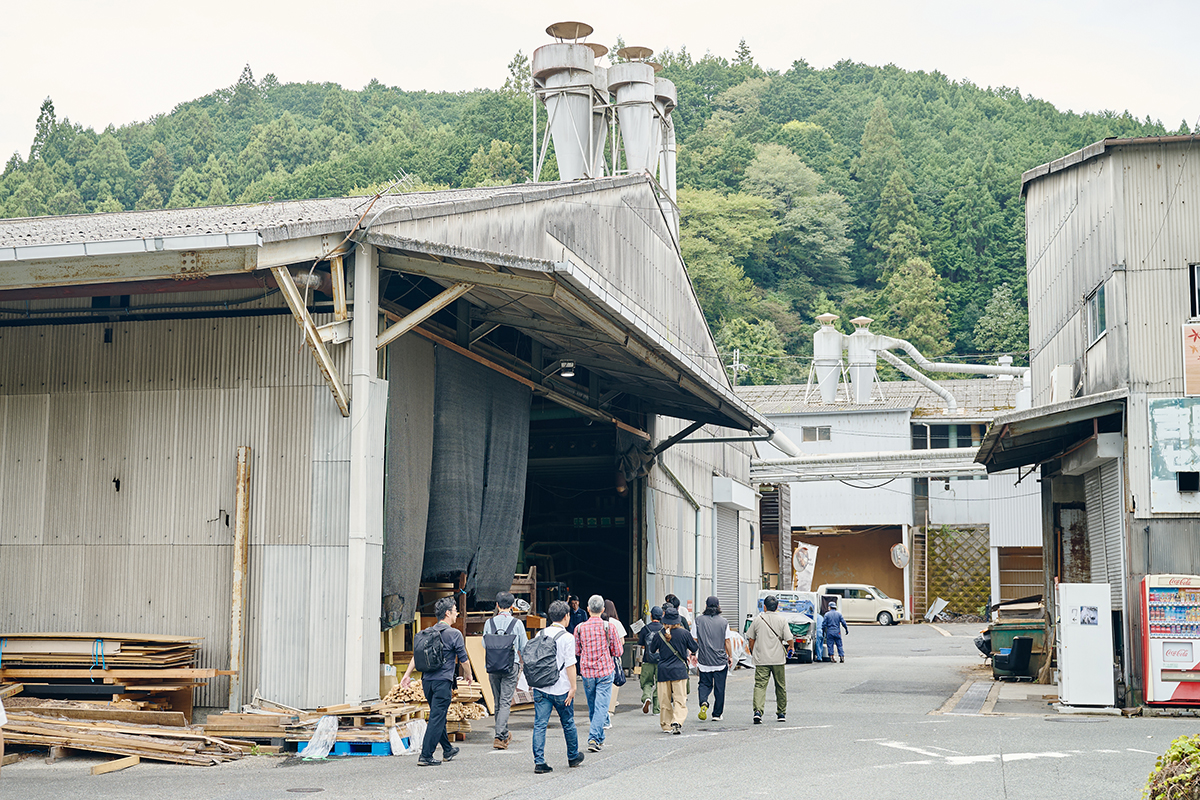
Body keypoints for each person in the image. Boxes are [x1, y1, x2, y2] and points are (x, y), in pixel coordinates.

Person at [400, 596, 473, 766]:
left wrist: (407, 674)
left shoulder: (428, 632)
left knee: (437, 716)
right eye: (455, 610)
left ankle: (447, 749)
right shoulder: (455, 634)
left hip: (427, 682)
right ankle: (426, 755)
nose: (457, 613)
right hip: (442, 682)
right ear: (447, 613)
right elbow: (464, 660)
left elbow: (416, 657)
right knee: (436, 717)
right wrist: (468, 675)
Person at [531, 600, 584, 774]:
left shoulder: (540, 634)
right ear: (566, 616)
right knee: (568, 722)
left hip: (541, 687)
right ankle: (573, 756)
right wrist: (573, 687)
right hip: (561, 688)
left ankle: (539, 762)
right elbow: (570, 665)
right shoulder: (568, 638)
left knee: (540, 724)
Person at [574, 595, 623, 752]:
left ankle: (598, 737)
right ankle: (594, 738)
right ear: (602, 610)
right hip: (605, 671)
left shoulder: (579, 628)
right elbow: (618, 651)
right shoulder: (609, 627)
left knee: (593, 705)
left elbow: (577, 651)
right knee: (601, 705)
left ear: (588, 609)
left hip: (587, 672)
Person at [648, 604, 698, 734]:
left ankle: (666, 725)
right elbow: (694, 648)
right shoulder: (684, 633)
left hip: (663, 671)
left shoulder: (659, 635)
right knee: (680, 700)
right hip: (679, 671)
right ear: (678, 621)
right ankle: (677, 721)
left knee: (664, 701)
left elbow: (652, 650)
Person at [486, 590, 527, 750]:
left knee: (497, 701)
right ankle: (499, 735)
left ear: (497, 605)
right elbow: (523, 647)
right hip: (511, 665)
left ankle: (502, 735)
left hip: (492, 665)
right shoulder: (517, 624)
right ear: (512, 606)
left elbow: (484, 644)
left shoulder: (489, 623)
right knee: (505, 702)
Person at [747, 594, 792, 723]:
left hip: (762, 659)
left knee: (760, 686)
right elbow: (789, 639)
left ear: (764, 607)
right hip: (778, 659)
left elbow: (751, 639)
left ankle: (758, 711)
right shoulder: (782, 620)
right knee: (780, 686)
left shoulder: (757, 619)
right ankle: (781, 713)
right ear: (777, 607)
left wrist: (753, 651)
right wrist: (791, 647)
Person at [695, 596, 733, 721]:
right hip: (720, 661)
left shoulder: (698, 621)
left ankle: (704, 702)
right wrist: (730, 656)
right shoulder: (724, 622)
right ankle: (717, 714)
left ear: (706, 606)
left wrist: (692, 654)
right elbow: (727, 641)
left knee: (704, 684)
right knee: (719, 688)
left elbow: (694, 640)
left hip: (704, 659)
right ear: (718, 607)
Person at [637, 606, 665, 715]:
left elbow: (641, 645)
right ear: (661, 616)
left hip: (647, 660)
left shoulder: (645, 629)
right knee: (660, 684)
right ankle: (657, 709)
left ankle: (647, 697)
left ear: (651, 615)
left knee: (646, 682)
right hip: (661, 662)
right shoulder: (664, 629)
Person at [602, 599, 626, 725]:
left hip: (599, 657)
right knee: (613, 683)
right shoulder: (615, 623)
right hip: (613, 656)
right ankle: (610, 709)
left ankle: (601, 708)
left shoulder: (597, 622)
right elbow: (622, 641)